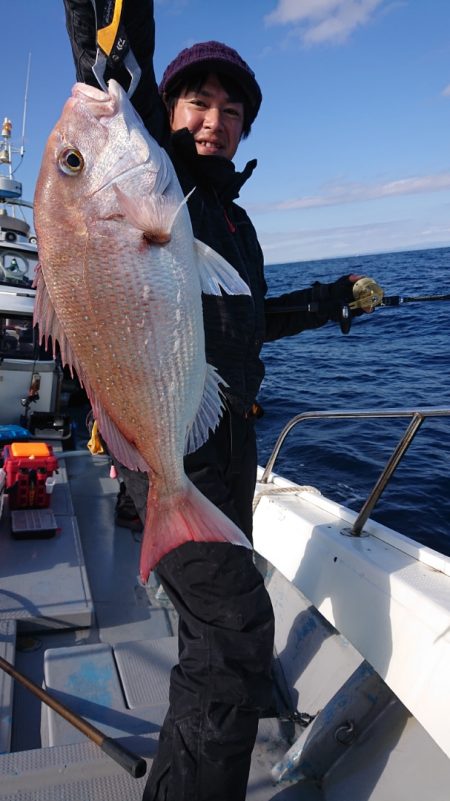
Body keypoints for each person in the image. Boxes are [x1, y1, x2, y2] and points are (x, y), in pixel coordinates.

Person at [62, 3, 374, 799]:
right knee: (234, 641)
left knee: (220, 632)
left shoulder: (234, 221)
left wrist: (328, 299)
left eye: (232, 111)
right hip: (171, 450)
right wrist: (102, 35)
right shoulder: (153, 184)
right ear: (166, 113)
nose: (215, 122)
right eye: (198, 103)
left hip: (227, 450)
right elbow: (111, 70)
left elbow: (242, 324)